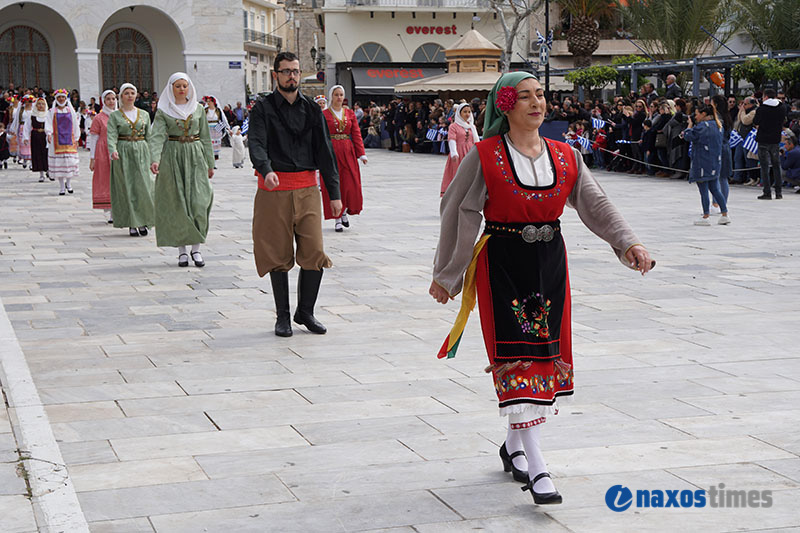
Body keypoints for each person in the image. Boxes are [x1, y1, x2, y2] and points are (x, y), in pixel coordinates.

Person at [430, 72, 654, 506]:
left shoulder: (567, 155)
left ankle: (513, 445)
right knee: (517, 359)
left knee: (543, 359)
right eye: (526, 97)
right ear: (506, 106)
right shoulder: (485, 155)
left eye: (541, 96)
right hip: (502, 266)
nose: (538, 103)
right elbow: (457, 211)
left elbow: (596, 203)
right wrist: (448, 275)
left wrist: (629, 242)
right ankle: (538, 466)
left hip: (550, 265)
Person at [248, 51, 341, 337]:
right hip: (273, 189)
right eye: (286, 71)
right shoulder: (262, 108)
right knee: (277, 253)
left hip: (307, 188)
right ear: (276, 74)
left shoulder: (312, 110)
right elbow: (256, 143)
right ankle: (283, 317)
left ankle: (306, 312)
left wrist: (334, 193)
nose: (292, 76)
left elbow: (325, 151)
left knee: (314, 252)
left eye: (296, 71)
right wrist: (266, 169)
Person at [149, 73, 214, 266]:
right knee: (178, 203)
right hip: (173, 157)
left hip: (195, 156)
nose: (182, 89)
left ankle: (196, 249)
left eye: (184, 85)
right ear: (171, 88)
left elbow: (205, 137)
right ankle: (183, 251)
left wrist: (210, 163)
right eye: (178, 86)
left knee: (199, 201)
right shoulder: (164, 111)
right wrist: (155, 159)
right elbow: (157, 136)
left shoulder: (199, 109)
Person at [108, 83, 156, 237]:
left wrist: (154, 157)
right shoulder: (115, 115)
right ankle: (132, 222)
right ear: (121, 96)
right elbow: (111, 135)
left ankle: (144, 220)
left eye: (132, 93)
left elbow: (150, 136)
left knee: (144, 186)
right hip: (124, 151)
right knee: (127, 186)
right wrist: (113, 150)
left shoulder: (144, 114)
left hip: (142, 150)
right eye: (126, 93)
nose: (130, 96)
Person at [320, 85, 367, 232]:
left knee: (349, 184)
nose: (339, 98)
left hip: (347, 151)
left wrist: (361, 153)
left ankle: (345, 211)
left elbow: (357, 134)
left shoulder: (350, 113)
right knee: (335, 184)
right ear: (331, 97)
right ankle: (337, 218)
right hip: (331, 151)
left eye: (341, 95)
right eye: (336, 95)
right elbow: (319, 135)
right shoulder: (324, 114)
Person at [681, 104, 730, 226]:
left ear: (703, 114)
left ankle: (706, 215)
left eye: (697, 113)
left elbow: (688, 136)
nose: (695, 116)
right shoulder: (718, 125)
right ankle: (724, 214)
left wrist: (689, 125)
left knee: (703, 189)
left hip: (702, 161)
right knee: (715, 189)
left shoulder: (702, 127)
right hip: (715, 161)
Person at [439, 102, 480, 196]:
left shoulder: (472, 126)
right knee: (458, 174)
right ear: (459, 113)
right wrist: (454, 152)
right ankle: (456, 194)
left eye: (469, 112)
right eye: (465, 112)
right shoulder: (454, 126)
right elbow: (452, 139)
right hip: (459, 152)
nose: (467, 114)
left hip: (470, 152)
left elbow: (476, 140)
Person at [45, 89, 81, 195]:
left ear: (66, 99)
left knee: (69, 163)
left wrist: (77, 138)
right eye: (59, 97)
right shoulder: (52, 112)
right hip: (56, 141)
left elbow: (75, 124)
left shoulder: (71, 111)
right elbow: (48, 123)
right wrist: (48, 133)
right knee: (59, 164)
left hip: (69, 140)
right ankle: (61, 186)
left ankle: (69, 184)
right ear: (56, 99)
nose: (61, 99)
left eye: (63, 97)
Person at [754, 89, 788, 200]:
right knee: (776, 165)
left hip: (763, 139)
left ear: (766, 97)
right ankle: (779, 192)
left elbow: (756, 121)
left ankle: (767, 192)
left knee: (764, 167)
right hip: (775, 139)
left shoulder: (762, 109)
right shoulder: (782, 107)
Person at [88, 90, 116, 221]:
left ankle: (118, 207)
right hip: (103, 150)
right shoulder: (99, 118)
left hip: (117, 149)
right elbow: (94, 138)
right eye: (108, 99)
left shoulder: (120, 115)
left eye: (113, 98)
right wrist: (92, 158)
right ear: (104, 101)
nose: (111, 101)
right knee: (106, 178)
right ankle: (110, 211)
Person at [710, 94, 733, 205]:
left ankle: (716, 202)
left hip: (718, 148)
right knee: (723, 178)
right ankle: (722, 203)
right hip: (726, 147)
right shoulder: (727, 116)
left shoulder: (717, 118)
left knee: (716, 178)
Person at [22, 96, 50, 182]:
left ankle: (49, 171)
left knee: (47, 154)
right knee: (38, 154)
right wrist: (26, 137)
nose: (41, 106)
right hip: (36, 136)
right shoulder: (32, 115)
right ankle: (41, 174)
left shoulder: (48, 115)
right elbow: (27, 127)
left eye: (42, 104)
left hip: (46, 137)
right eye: (39, 104)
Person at [203, 96, 230, 167]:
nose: (208, 103)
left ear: (213, 102)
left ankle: (214, 163)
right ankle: (209, 162)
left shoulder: (218, 111)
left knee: (216, 147)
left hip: (216, 130)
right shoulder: (205, 110)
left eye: (210, 101)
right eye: (207, 101)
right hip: (208, 129)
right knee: (208, 146)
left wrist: (228, 128)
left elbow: (223, 119)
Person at [11, 95, 34, 169]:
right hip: (22, 128)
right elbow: (17, 120)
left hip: (31, 128)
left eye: (29, 101)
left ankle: (31, 162)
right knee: (23, 144)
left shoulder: (33, 110)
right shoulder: (21, 110)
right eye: (26, 101)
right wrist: (14, 129)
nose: (28, 103)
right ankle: (24, 159)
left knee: (31, 144)